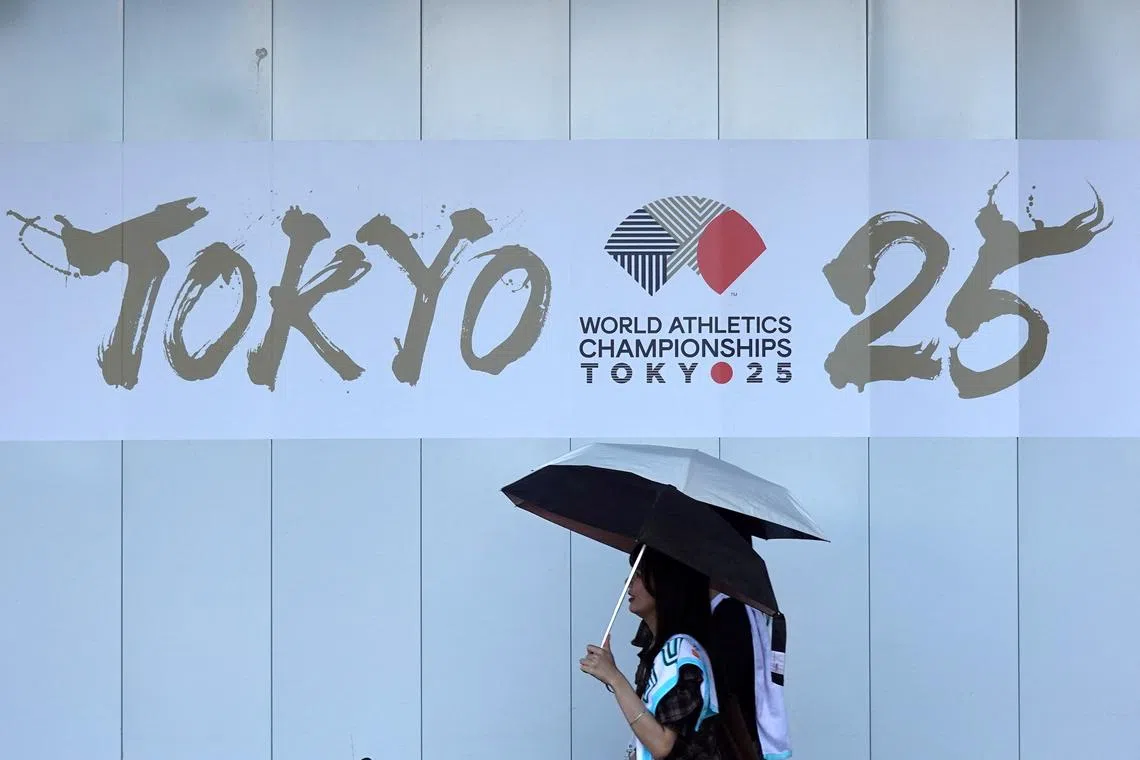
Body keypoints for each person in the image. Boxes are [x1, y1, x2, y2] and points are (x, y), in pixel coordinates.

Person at [579, 545, 725, 760]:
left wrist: (615, 678)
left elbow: (662, 745)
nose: (628, 584)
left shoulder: (682, 654)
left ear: (664, 584)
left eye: (638, 576)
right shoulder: (658, 649)